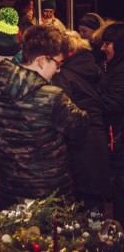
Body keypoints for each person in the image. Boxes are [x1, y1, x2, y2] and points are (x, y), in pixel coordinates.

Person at [0, 23, 89, 209]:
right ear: (41, 60)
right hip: (46, 195)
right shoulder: (53, 96)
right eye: (58, 63)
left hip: (9, 190)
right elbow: (79, 127)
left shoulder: (1, 80)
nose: (59, 70)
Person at [52, 30, 108, 213]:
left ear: (66, 52)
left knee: (80, 203)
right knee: (95, 199)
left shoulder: (64, 74)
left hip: (78, 139)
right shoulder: (96, 67)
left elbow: (63, 110)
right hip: (99, 136)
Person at [99, 22, 124, 227]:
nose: (102, 48)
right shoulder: (111, 65)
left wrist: (90, 101)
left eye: (108, 43)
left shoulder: (121, 69)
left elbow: (114, 102)